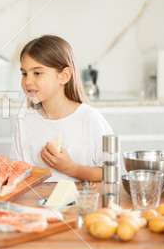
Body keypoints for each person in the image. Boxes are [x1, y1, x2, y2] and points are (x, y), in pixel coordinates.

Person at [10, 35, 113, 182]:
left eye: (37, 73)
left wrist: (71, 168)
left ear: (64, 76)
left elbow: (109, 173)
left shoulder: (90, 119)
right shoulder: (24, 121)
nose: (28, 81)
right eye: (24, 73)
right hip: (34, 203)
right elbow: (18, 173)